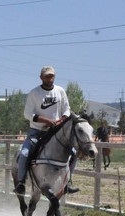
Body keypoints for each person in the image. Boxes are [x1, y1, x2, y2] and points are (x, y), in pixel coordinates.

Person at [15, 65, 78, 195]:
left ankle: (67, 182)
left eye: (52, 76)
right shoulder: (34, 93)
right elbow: (28, 114)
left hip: (56, 132)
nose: (50, 78)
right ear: (41, 77)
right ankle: (21, 182)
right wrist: (46, 121)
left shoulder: (60, 91)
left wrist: (61, 120)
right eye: (47, 76)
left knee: (74, 153)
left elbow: (66, 109)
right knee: (24, 154)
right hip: (37, 131)